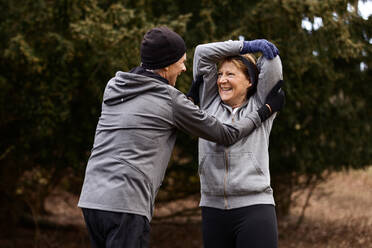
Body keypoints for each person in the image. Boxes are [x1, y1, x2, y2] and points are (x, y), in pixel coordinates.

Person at [78, 26, 284, 248]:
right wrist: (265, 109)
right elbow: (225, 133)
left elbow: (150, 115)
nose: (185, 68)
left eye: (230, 74)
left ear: (250, 81)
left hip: (92, 199)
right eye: (181, 61)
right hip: (127, 203)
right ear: (167, 65)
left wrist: (186, 104)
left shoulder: (115, 85)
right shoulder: (175, 100)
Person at [187, 39, 284, 248]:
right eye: (220, 74)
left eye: (230, 74)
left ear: (250, 80)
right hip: (212, 209)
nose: (222, 80)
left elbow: (271, 60)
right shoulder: (208, 102)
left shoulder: (260, 103)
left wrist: (261, 49)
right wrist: (245, 46)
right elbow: (202, 52)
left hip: (255, 207)